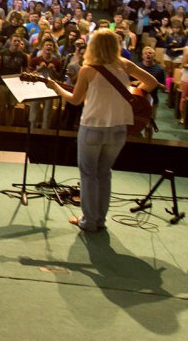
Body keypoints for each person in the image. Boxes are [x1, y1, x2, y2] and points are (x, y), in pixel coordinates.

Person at [43, 29, 159, 233]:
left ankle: (88, 220)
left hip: (93, 127)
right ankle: (100, 220)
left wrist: (55, 87)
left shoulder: (88, 69)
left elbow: (75, 100)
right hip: (119, 128)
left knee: (88, 174)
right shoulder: (124, 65)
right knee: (104, 173)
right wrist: (134, 90)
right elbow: (152, 82)